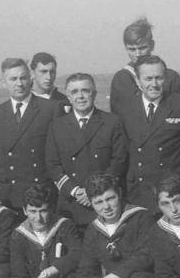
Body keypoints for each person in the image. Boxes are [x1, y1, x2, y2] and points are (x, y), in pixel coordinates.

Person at [115, 55, 180, 212]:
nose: (154, 84)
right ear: (138, 81)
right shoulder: (126, 109)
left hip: (173, 191)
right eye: (148, 79)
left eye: (158, 78)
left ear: (165, 78)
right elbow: (124, 150)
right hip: (139, 191)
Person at [46, 73, 128, 229]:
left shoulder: (111, 122)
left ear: (94, 94)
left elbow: (119, 160)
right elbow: (52, 165)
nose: (80, 96)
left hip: (103, 203)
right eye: (74, 92)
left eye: (85, 91)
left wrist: (94, 192)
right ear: (68, 97)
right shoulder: (57, 126)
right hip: (71, 203)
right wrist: (75, 191)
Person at [0, 58, 61, 212]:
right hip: (8, 196)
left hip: (41, 194)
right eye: (13, 79)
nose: (19, 83)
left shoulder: (50, 109)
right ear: (3, 82)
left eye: (23, 78)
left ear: (30, 79)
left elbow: (57, 155)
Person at [109, 17, 180, 114]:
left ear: (152, 45)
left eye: (142, 48)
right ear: (126, 48)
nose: (137, 54)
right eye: (132, 49)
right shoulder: (122, 79)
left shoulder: (171, 77)